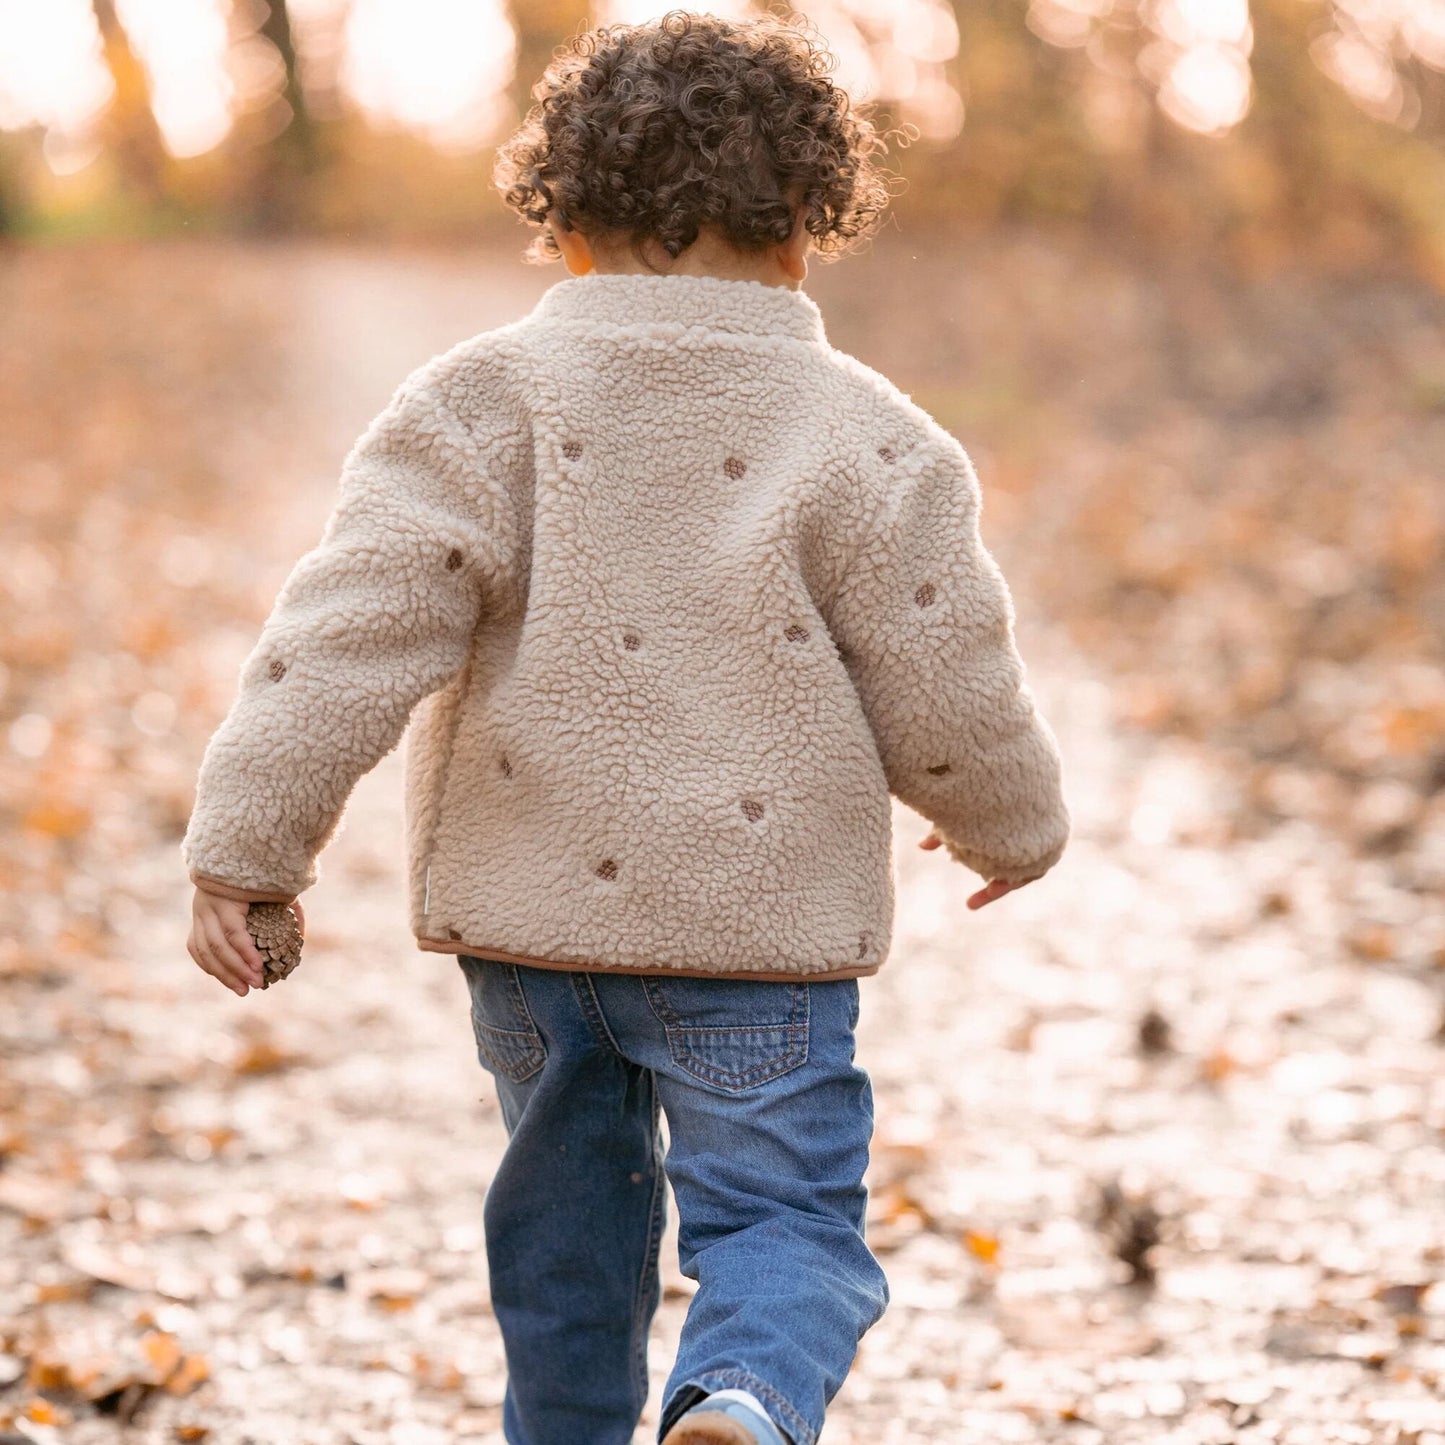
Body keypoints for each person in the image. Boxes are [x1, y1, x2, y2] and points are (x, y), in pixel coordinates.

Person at [181, 10, 1070, 1444]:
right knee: (785, 1217)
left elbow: (345, 630)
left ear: (570, 227)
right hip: (756, 941)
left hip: (529, 940)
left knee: (564, 1246)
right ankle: (738, 1398)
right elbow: (942, 661)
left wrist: (248, 846)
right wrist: (1009, 822)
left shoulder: (477, 404)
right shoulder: (869, 434)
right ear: (802, 223)